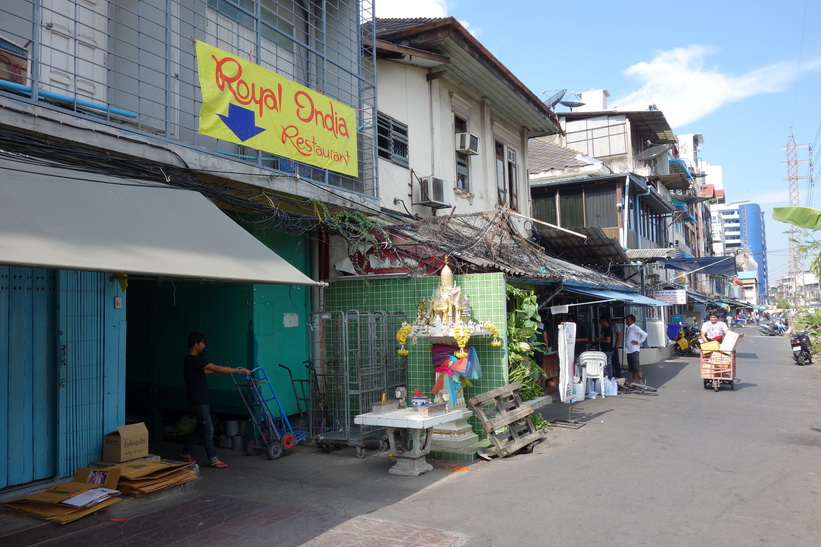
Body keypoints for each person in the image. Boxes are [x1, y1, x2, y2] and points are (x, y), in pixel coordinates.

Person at [180, 332, 251, 469]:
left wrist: (226, 370)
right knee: (209, 428)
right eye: (203, 343)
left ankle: (185, 451)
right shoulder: (193, 359)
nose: (204, 346)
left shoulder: (192, 361)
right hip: (198, 400)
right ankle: (213, 459)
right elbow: (216, 368)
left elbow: (209, 371)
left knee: (202, 426)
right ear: (196, 344)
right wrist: (238, 370)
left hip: (200, 399)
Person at [624, 314, 648, 385]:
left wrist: (639, 342)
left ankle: (641, 380)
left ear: (632, 320)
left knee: (636, 366)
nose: (626, 321)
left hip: (634, 349)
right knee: (632, 367)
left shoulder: (635, 327)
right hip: (629, 350)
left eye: (627, 320)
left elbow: (645, 334)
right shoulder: (628, 328)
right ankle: (634, 381)